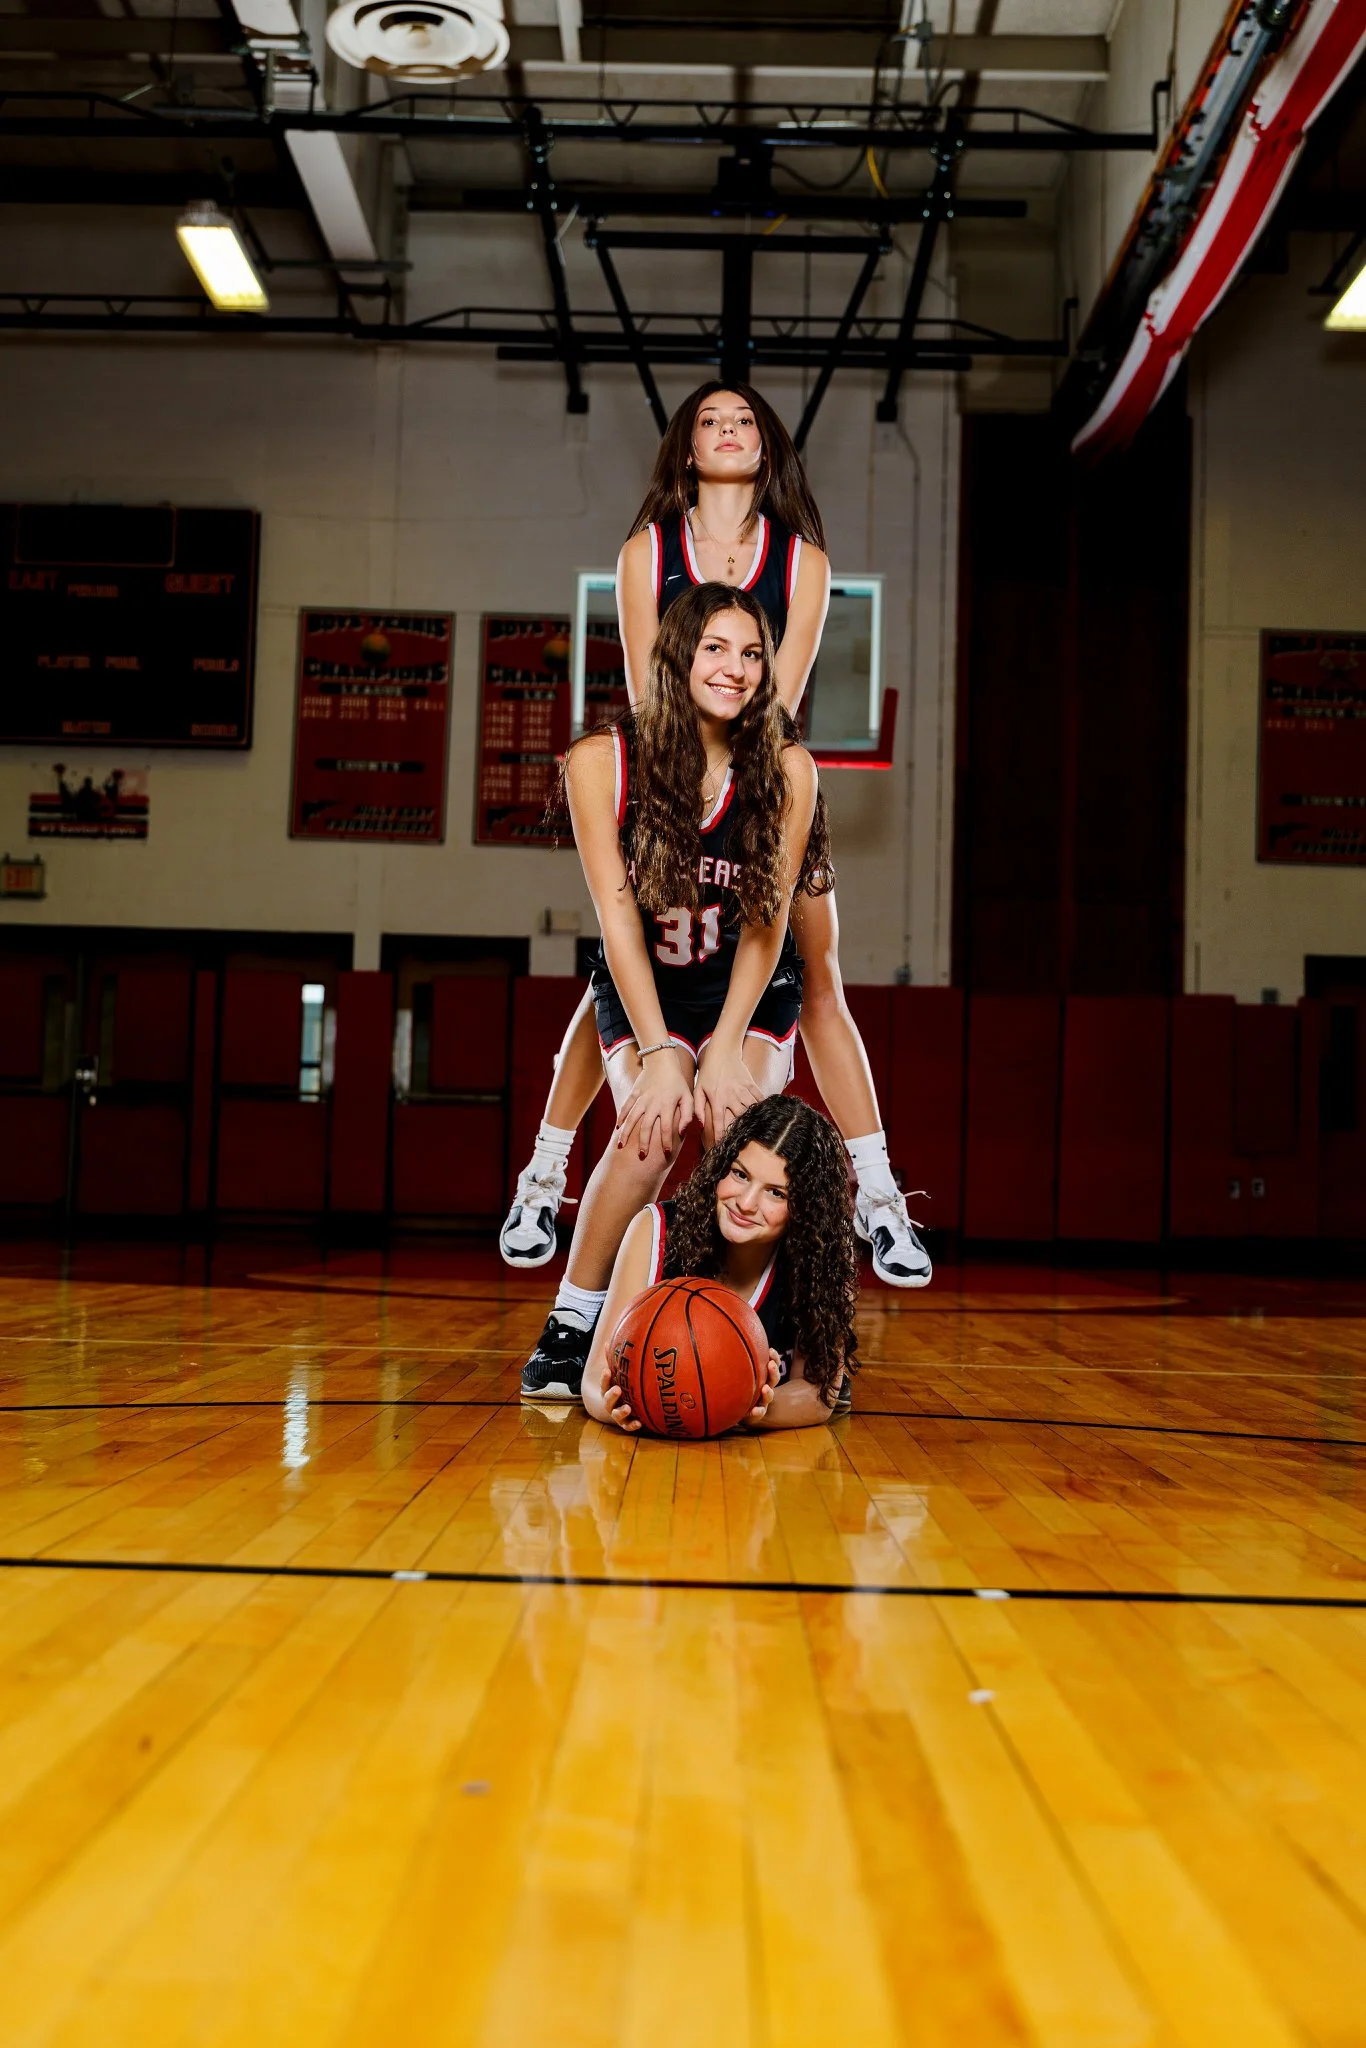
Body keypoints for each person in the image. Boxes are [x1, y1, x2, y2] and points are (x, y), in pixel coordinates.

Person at [500, 381, 930, 1290]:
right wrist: (680, 796)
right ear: (687, 449)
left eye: (745, 420)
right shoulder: (646, 551)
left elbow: (777, 697)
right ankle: (546, 1170)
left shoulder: (801, 559)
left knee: (816, 979)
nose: (730, 429)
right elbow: (652, 689)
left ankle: (880, 1197)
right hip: (665, 781)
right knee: (625, 965)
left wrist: (745, 796)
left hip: (762, 782)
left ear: (766, 449)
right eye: (711, 419)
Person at [520, 582, 818, 1401]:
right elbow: (617, 926)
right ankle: (570, 1325)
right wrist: (659, 1054)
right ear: (677, 654)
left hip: (746, 988)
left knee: (737, 1136)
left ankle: (772, 1328)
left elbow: (765, 924)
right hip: (648, 982)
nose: (736, 668)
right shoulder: (600, 763)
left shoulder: (788, 769)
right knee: (652, 1130)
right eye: (716, 648)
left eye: (752, 653)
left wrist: (723, 1050)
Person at [582, 1095, 860, 1432]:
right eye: (741, 1174)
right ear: (722, 1165)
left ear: (806, 1209)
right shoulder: (654, 1230)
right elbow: (595, 1378)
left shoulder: (822, 1255)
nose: (745, 1203)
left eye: (776, 1193)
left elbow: (818, 1395)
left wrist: (740, 1407)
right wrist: (614, 1406)